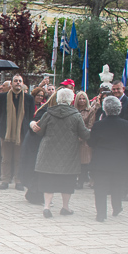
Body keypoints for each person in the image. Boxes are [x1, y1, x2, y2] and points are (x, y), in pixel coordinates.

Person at [31, 88, 90, 218]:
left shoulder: (49, 113)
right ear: (71, 99)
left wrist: (33, 123)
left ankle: (47, 206)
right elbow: (84, 134)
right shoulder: (76, 115)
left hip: (48, 152)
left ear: (57, 99)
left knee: (48, 179)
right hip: (69, 153)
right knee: (67, 180)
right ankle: (65, 207)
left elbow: (40, 131)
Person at [87, 96, 128, 221]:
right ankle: (117, 207)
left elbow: (91, 143)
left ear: (105, 109)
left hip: (101, 161)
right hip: (120, 162)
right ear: (119, 109)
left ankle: (101, 214)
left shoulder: (98, 125)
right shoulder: (126, 125)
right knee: (117, 186)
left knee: (100, 188)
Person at [0, 74, 35, 190]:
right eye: (15, 81)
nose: (18, 83)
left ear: (22, 83)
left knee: (18, 158)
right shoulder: (3, 97)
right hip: (6, 132)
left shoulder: (29, 98)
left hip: (21, 133)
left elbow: (30, 115)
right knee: (6, 158)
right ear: (11, 83)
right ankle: (5, 180)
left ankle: (18, 181)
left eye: (20, 81)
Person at [74, 91, 96, 189]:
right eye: (80, 99)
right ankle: (73, 180)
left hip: (84, 139)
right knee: (74, 161)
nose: (82, 101)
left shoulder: (91, 110)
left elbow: (90, 126)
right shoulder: (73, 110)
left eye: (83, 99)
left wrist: (82, 136)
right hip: (73, 139)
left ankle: (81, 182)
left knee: (83, 162)